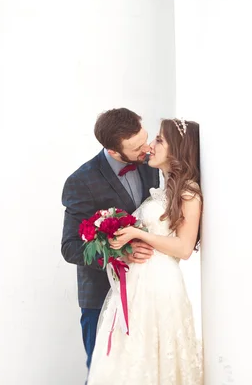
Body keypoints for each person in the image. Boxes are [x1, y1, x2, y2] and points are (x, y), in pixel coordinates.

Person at [87, 118, 203, 385]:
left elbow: (184, 248)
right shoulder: (162, 190)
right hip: (137, 286)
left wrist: (138, 234)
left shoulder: (189, 193)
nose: (150, 146)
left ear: (178, 149)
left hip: (160, 287)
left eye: (159, 140)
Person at [61, 108, 160, 373]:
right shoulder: (81, 181)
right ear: (114, 152)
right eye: (138, 147)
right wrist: (119, 254)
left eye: (146, 138)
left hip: (146, 291)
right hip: (101, 295)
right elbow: (70, 248)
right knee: (102, 372)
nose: (148, 149)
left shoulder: (151, 164)